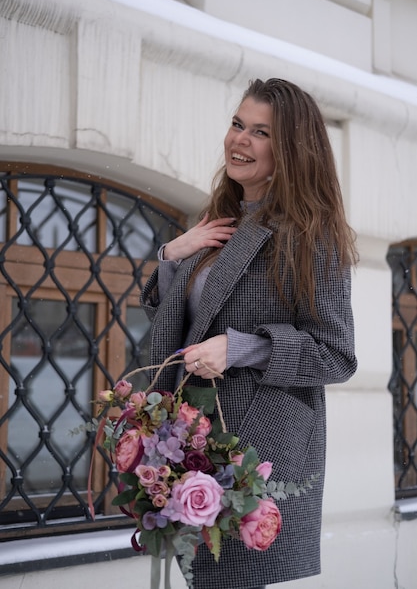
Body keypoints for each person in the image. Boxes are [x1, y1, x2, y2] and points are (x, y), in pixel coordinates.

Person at [140, 78, 358, 589]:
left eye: (260, 132)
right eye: (238, 124)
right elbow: (184, 333)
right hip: (192, 442)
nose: (240, 139)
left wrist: (242, 347)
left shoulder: (310, 235)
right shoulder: (220, 222)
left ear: (290, 150)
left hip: (255, 451)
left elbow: (336, 353)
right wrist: (175, 255)